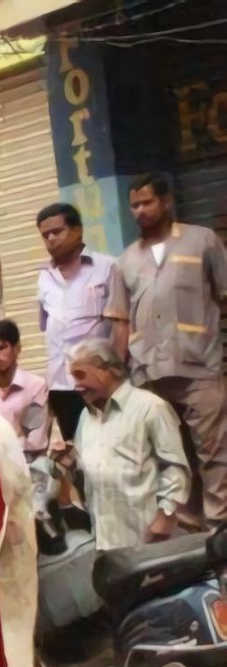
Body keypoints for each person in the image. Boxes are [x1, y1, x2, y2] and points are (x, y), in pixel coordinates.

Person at [111, 173, 227, 525]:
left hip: (199, 367)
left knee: (215, 453)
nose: (140, 211)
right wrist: (117, 373)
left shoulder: (201, 240)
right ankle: (190, 534)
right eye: (134, 205)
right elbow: (120, 321)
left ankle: (220, 529)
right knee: (170, 456)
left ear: (166, 201)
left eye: (146, 202)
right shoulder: (126, 260)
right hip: (148, 375)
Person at [68, 339, 190, 551]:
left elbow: (175, 468)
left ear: (108, 370)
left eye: (80, 375)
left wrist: (165, 518)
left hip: (149, 540)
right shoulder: (86, 416)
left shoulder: (150, 407)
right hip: (104, 541)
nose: (75, 385)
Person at [35, 202, 127, 442]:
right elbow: (49, 330)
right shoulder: (44, 277)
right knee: (77, 455)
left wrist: (115, 376)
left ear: (78, 231)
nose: (51, 239)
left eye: (57, 231)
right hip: (61, 386)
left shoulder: (107, 267)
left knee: (111, 448)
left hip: (99, 383)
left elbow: (121, 325)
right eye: (45, 235)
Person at [0, 320, 52, 458]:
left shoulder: (35, 387)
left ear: (17, 349)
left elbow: (35, 441)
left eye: (1, 347)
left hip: (28, 466)